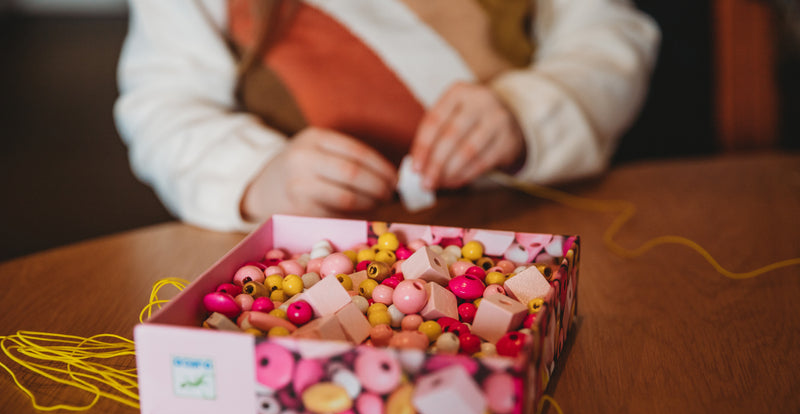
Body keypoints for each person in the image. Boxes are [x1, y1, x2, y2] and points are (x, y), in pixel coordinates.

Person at [114, 0, 660, 232]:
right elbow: (162, 104)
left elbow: (610, 38)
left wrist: (525, 113)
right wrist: (258, 175)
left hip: (530, 222)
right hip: (313, 264)